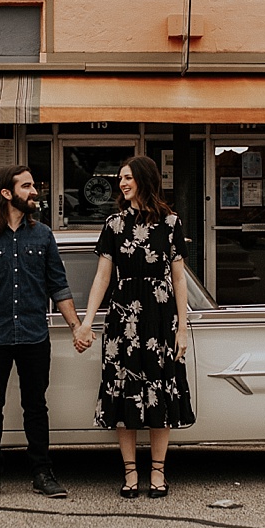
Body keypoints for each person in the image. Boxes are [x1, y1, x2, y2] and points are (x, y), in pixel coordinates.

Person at [74, 155, 194, 499]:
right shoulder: (113, 224)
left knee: (160, 389)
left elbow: (179, 277)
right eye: (121, 178)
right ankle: (130, 472)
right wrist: (86, 322)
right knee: (123, 391)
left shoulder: (171, 224)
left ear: (144, 179)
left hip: (160, 317)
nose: (123, 183)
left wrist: (182, 329)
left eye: (128, 178)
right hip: (123, 318)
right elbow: (102, 276)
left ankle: (158, 472)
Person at [0, 165, 84, 500]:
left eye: (34, 185)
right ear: (7, 193)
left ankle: (42, 472)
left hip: (33, 333)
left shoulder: (42, 235)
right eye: (27, 186)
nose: (34, 192)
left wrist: (76, 327)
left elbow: (59, 286)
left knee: (36, 405)